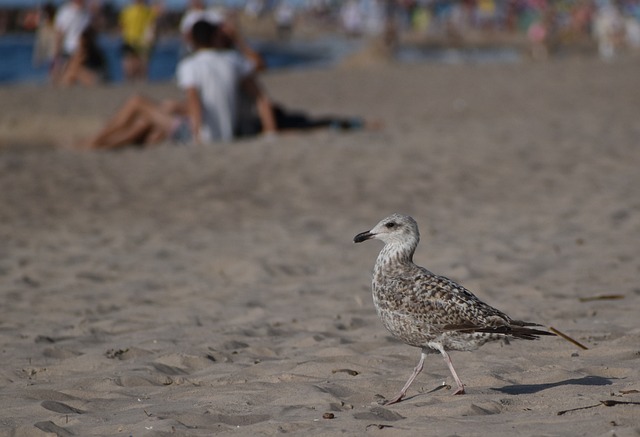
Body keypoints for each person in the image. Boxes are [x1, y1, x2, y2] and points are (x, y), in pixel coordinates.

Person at [80, 20, 275, 149]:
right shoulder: (233, 60)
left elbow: (194, 101)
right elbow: (261, 96)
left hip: (200, 136)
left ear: (192, 40)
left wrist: (198, 139)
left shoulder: (191, 65)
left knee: (137, 102)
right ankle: (99, 142)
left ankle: (96, 142)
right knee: (154, 118)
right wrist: (270, 131)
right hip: (225, 131)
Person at [119, 0, 159, 81]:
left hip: (143, 42)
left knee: (142, 66)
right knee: (129, 66)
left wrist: (150, 39)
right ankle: (129, 84)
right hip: (129, 41)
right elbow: (122, 26)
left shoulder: (148, 11)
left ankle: (142, 84)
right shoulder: (127, 10)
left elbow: (152, 26)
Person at [52, 0, 90, 83]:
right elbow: (60, 33)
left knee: (73, 73)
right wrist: (57, 52)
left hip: (81, 48)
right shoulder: (66, 12)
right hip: (70, 48)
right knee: (72, 73)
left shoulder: (85, 13)